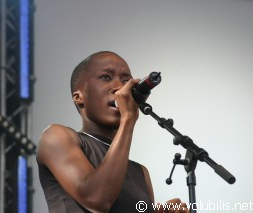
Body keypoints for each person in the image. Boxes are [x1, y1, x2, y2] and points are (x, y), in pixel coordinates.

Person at [37, 51, 189, 213]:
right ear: (78, 97)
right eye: (105, 77)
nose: (119, 87)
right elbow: (97, 199)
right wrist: (128, 118)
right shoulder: (55, 136)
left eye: (126, 81)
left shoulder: (141, 173)